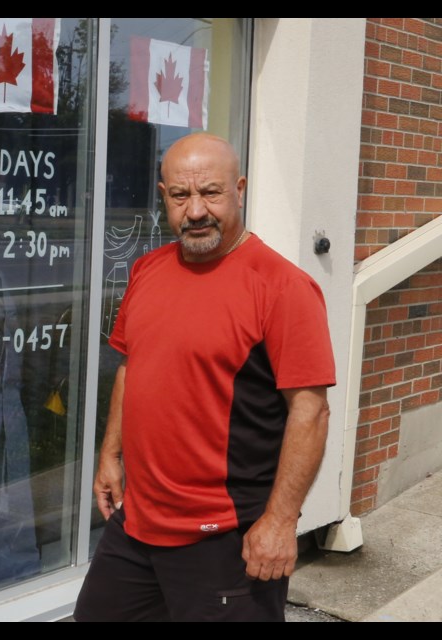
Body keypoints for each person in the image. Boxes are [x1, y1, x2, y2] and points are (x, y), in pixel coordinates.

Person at [73, 132, 336, 622]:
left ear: (239, 189)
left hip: (224, 540)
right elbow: (132, 367)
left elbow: (311, 411)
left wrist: (280, 522)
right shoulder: (148, 270)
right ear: (163, 197)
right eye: (180, 195)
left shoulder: (282, 287)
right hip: (137, 525)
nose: (195, 211)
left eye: (210, 193)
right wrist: (110, 454)